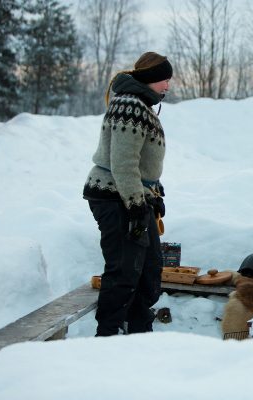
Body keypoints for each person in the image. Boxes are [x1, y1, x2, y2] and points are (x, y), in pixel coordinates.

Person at [82, 52, 172, 336]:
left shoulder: (141, 105)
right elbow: (122, 162)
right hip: (114, 197)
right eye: (163, 80)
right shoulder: (129, 105)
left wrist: (151, 192)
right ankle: (107, 337)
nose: (167, 86)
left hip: (131, 195)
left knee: (149, 269)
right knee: (124, 271)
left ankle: (138, 334)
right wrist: (135, 205)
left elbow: (138, 161)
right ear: (149, 79)